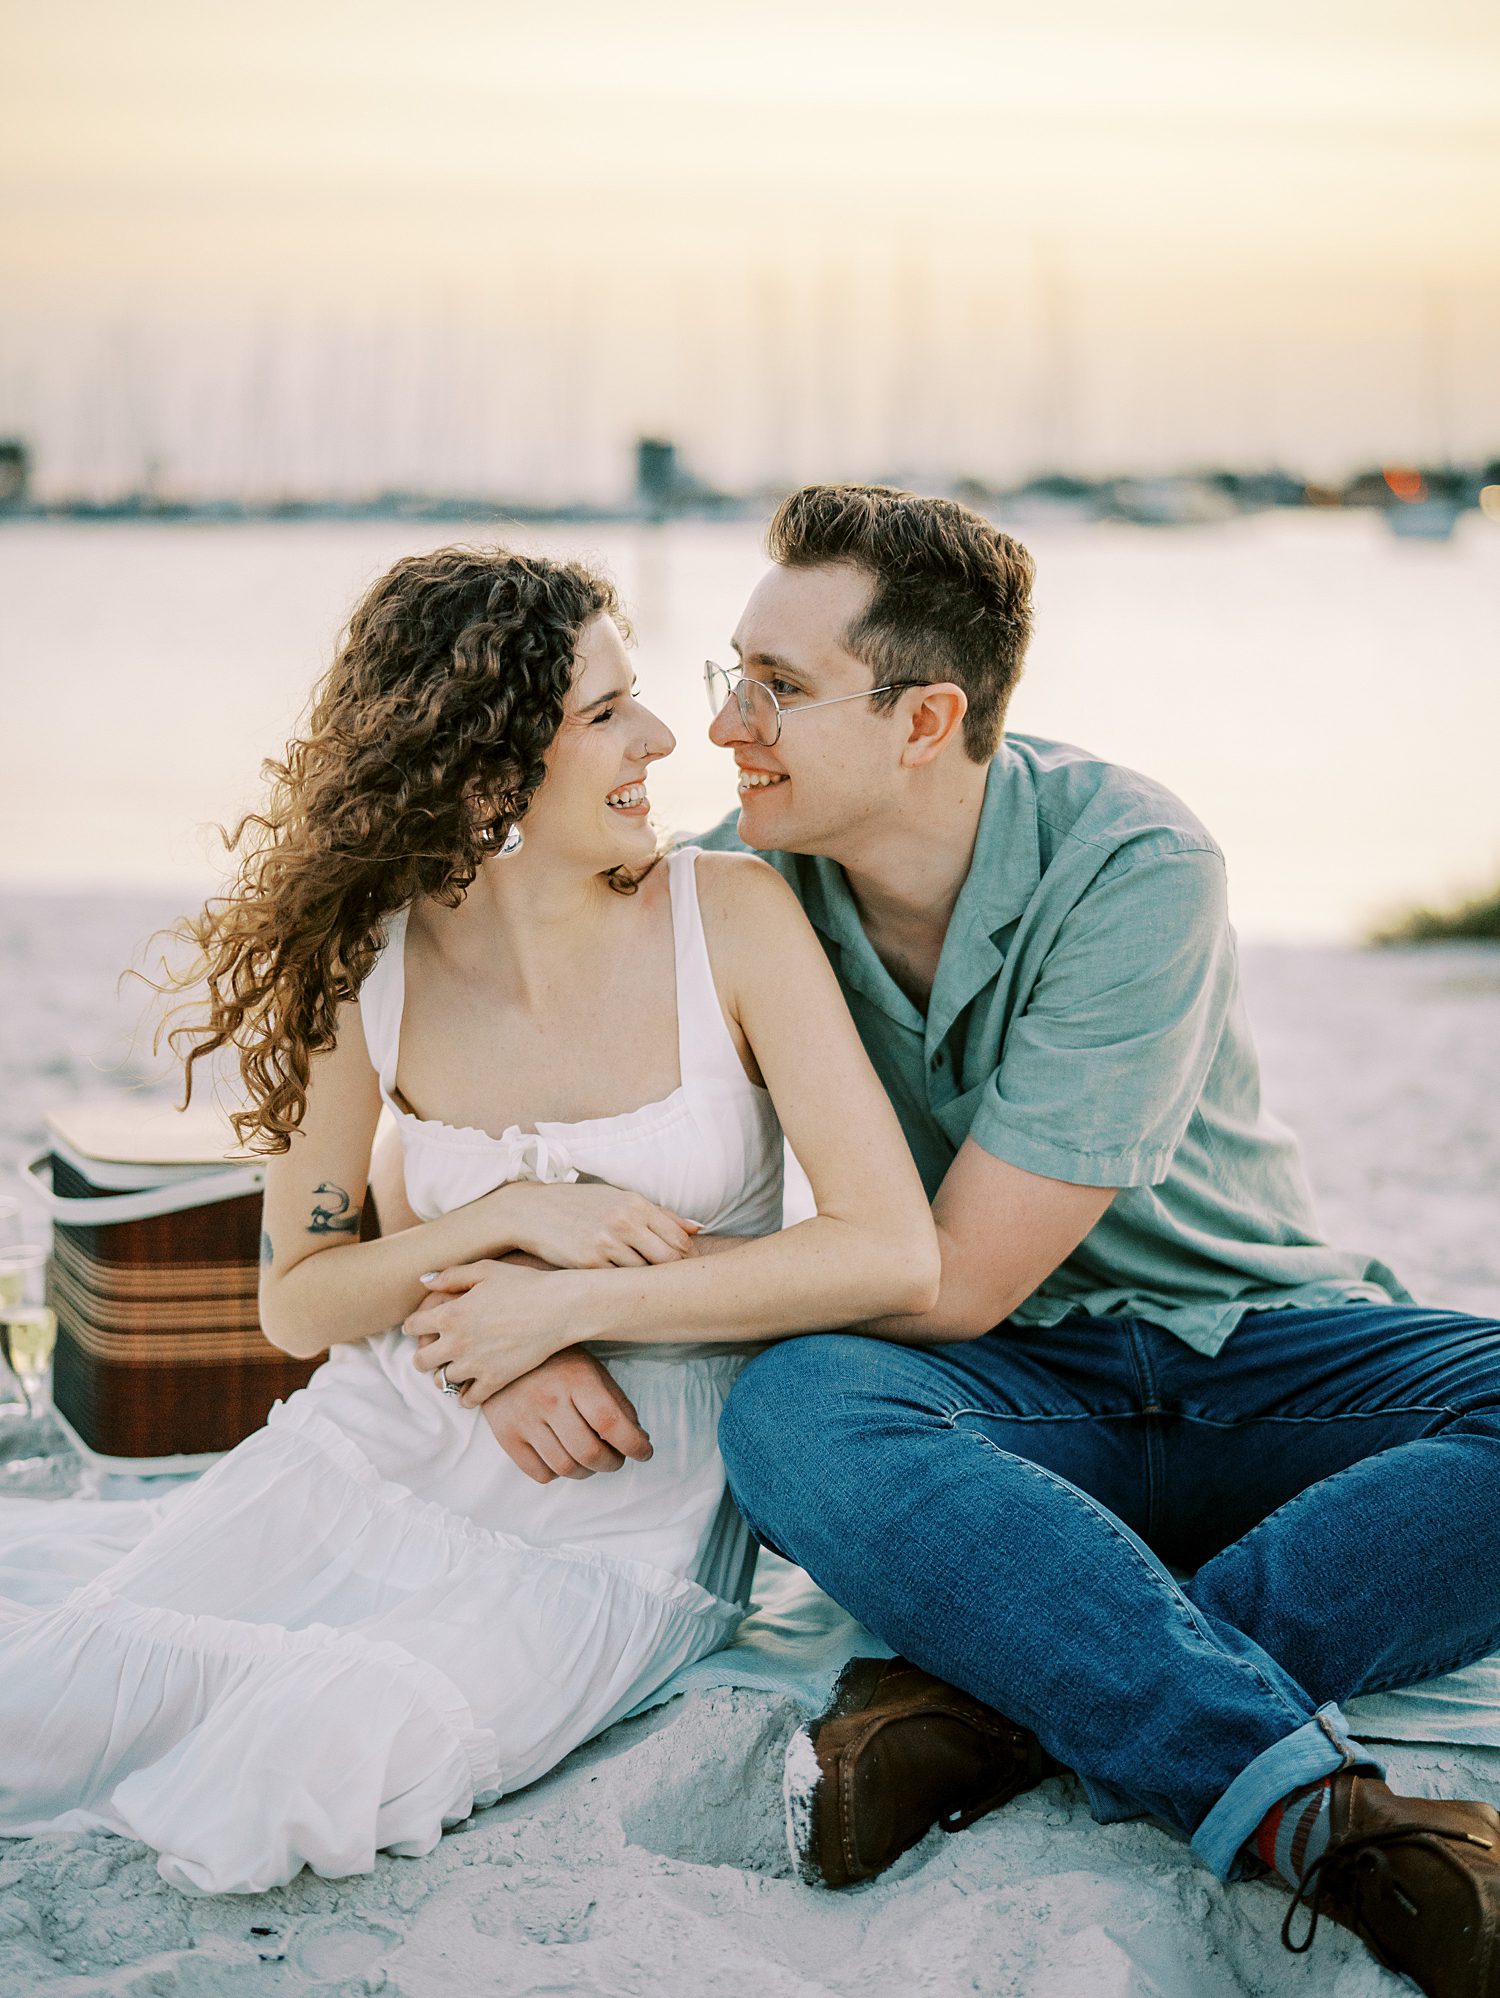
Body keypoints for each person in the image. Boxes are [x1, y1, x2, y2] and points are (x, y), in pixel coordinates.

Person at [461, 488, 1500, 1998]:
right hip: (979, 1409)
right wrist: (495, 1311)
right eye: (727, 675)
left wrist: (562, 1308)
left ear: (925, 717)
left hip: (1248, 1348)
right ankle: (1309, 1811)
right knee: (797, 1414)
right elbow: (499, 1082)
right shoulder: (726, 892)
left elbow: (961, 1275)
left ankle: (1012, 1689)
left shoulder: (1134, 861)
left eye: (780, 689)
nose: (722, 726)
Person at [0, 544, 938, 1896]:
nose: (664, 735)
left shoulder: (728, 918)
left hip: (624, 1501)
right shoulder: (372, 957)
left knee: (316, 1751)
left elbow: (886, 1245)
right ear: (488, 773)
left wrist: (567, 1303)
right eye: (608, 712)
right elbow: (303, 1297)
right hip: (386, 1437)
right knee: (53, 1703)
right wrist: (491, 1245)